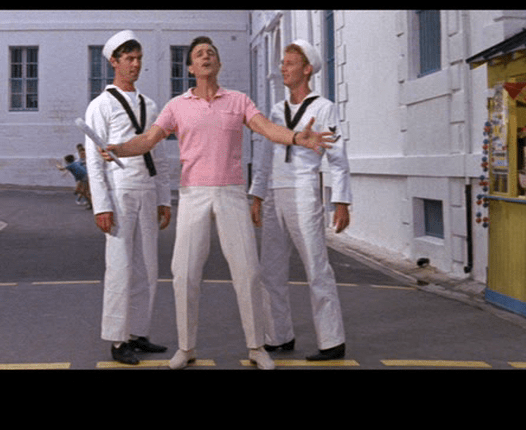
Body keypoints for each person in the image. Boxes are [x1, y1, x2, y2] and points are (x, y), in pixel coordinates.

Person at [102, 36, 334, 370]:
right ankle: (186, 348)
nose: (206, 56)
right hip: (193, 195)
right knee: (183, 275)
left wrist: (297, 137)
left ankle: (256, 347)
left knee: (248, 272)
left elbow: (268, 129)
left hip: (231, 194)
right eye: (199, 54)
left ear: (219, 64)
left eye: (211, 52)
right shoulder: (176, 106)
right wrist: (119, 149)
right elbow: (148, 140)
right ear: (191, 68)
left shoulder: (239, 100)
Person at [249, 40, 351, 361]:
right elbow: (265, 156)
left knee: (316, 267)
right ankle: (278, 335)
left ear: (307, 69)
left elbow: (337, 159)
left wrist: (341, 202)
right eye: (283, 63)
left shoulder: (324, 108)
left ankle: (332, 341)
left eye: (290, 63)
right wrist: (257, 194)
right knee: (271, 270)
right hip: (274, 194)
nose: (283, 68)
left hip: (304, 191)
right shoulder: (276, 111)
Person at [84, 30, 173, 365]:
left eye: (139, 59)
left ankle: (138, 332)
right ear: (114, 62)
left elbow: (159, 155)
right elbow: (94, 161)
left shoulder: (150, 105)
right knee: (120, 267)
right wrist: (101, 206)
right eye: (129, 59)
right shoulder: (100, 105)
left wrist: (164, 197)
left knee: (148, 267)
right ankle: (118, 340)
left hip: (147, 189)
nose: (135, 65)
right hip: (119, 191)